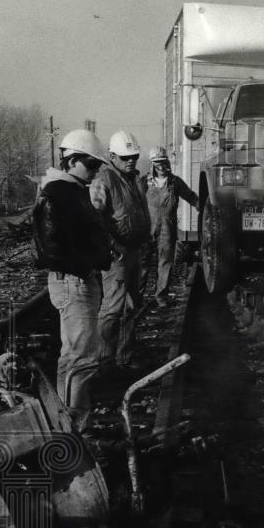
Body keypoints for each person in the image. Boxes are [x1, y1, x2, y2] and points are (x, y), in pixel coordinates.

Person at [31, 129, 112, 432]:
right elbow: (51, 249)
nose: (95, 171)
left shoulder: (70, 189)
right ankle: (76, 429)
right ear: (72, 160)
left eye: (97, 165)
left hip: (75, 279)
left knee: (73, 356)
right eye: (91, 164)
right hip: (75, 280)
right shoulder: (59, 192)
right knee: (83, 357)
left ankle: (66, 423)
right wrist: (89, 263)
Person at [90, 130, 151, 373]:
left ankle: (124, 357)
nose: (131, 161)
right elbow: (95, 219)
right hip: (117, 255)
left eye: (134, 156)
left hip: (134, 250)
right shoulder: (103, 180)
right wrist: (113, 245)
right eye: (126, 157)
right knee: (113, 309)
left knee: (131, 307)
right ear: (112, 156)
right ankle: (103, 360)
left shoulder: (134, 179)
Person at [146, 146, 198, 307]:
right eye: (157, 163)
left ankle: (161, 296)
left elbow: (190, 196)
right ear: (152, 164)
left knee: (165, 262)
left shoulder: (175, 182)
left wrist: (201, 206)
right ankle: (136, 298)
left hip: (167, 229)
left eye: (163, 162)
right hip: (147, 228)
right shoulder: (144, 182)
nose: (161, 166)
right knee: (142, 263)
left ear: (167, 162)